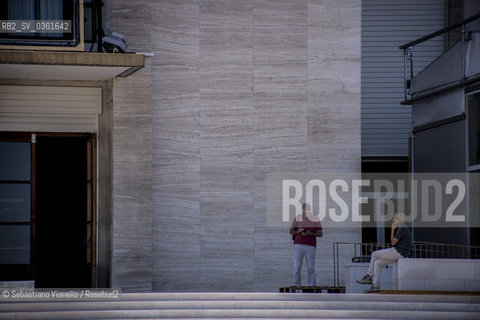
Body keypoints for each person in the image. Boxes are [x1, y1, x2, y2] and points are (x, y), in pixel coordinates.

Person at [356, 212, 412, 290]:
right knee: (377, 263)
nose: (393, 220)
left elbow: (393, 243)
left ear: (401, 219)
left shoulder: (402, 228)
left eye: (395, 218)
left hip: (398, 252)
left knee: (374, 254)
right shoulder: (403, 228)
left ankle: (369, 276)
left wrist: (392, 230)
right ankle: (376, 286)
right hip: (400, 253)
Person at [289, 203, 323, 286]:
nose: (306, 212)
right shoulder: (297, 218)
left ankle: (311, 286)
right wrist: (298, 231)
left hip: (310, 245)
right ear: (302, 210)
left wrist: (309, 233)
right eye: (304, 210)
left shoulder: (315, 219)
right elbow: (291, 231)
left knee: (311, 268)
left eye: (307, 210)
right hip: (298, 244)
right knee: (297, 268)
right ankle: (296, 287)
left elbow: (320, 233)